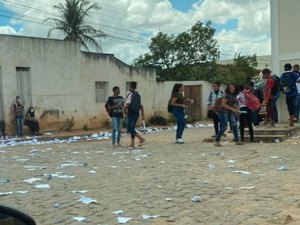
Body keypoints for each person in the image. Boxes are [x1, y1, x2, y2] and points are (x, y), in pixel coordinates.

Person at [125, 81, 145, 149]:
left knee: (129, 128)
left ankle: (141, 139)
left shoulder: (129, 93)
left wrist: (124, 108)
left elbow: (128, 104)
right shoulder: (137, 94)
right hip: (136, 113)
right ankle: (132, 144)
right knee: (132, 128)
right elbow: (141, 105)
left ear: (130, 86)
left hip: (131, 113)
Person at [280, 63, 300, 127]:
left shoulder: (283, 75)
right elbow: (298, 80)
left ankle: (291, 123)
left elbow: (281, 83)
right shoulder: (293, 74)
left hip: (288, 94)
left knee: (290, 108)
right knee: (295, 107)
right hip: (295, 93)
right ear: (291, 68)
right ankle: (292, 123)